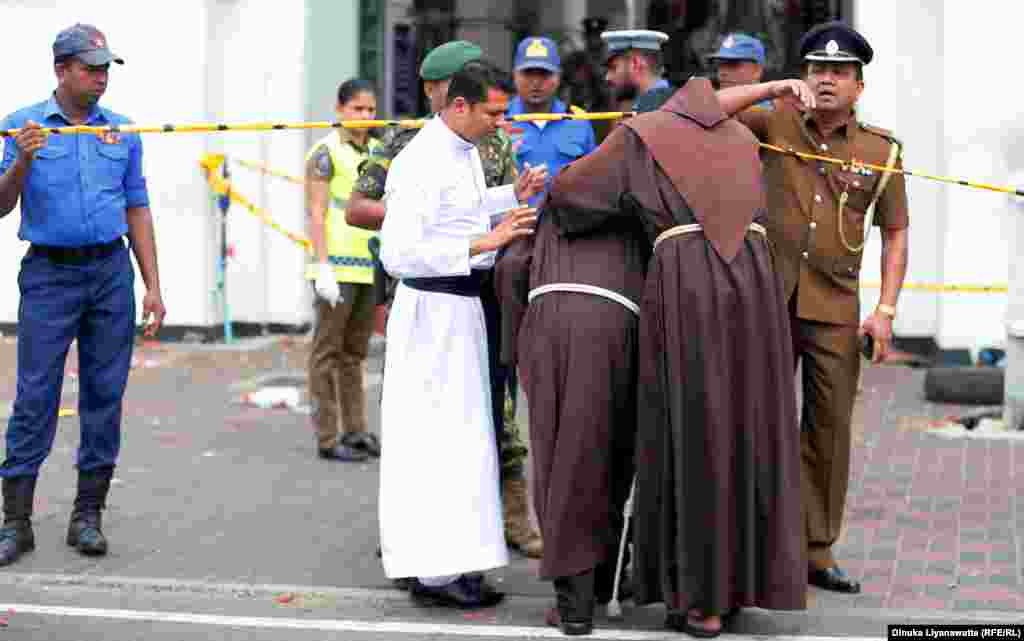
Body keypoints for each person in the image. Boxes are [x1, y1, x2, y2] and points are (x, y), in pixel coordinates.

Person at [550, 77, 816, 637]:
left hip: (690, 283)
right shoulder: (739, 138)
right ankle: (738, 585)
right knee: (746, 428)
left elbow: (570, 195)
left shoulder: (639, 137)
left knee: (692, 433)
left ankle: (701, 601)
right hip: (755, 286)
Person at [720, 20, 909, 596]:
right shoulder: (771, 119)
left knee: (827, 431)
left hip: (834, 307)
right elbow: (704, 108)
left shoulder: (882, 150)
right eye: (816, 70)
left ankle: (815, 550)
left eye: (839, 72)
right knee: (754, 418)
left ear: (859, 85)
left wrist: (885, 310)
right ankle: (747, 540)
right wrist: (770, 87)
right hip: (767, 299)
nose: (826, 80)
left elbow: (896, 232)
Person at [347, 41, 543, 560]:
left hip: (463, 310)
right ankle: (433, 568)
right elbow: (400, 251)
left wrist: (509, 197)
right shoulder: (420, 158)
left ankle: (460, 562)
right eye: (493, 114)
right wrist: (486, 242)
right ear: (460, 104)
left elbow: (459, 211)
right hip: (433, 312)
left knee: (466, 442)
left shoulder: (463, 151)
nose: (501, 124)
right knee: (436, 444)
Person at [0, 24, 165, 566]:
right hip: (49, 275)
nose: (100, 78)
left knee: (104, 395)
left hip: (109, 273)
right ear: (60, 70)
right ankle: (15, 522)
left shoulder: (121, 131)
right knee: (35, 396)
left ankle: (87, 515)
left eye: (105, 69)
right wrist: (22, 159)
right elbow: (0, 205)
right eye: (90, 68)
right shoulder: (20, 126)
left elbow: (136, 206)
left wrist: (153, 286)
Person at [495, 122, 647, 636]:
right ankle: (604, 581)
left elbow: (512, 267)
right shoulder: (639, 210)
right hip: (619, 332)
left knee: (560, 462)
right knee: (610, 457)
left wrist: (514, 346)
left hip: (551, 327)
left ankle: (572, 602)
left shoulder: (556, 202)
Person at [304, 79, 382, 463]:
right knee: (327, 353)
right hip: (335, 266)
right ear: (340, 110)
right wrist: (321, 265)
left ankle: (355, 429)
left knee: (355, 353)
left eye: (370, 110)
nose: (365, 116)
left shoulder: (379, 150)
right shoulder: (325, 152)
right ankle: (327, 436)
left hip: (369, 266)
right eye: (358, 109)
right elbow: (317, 211)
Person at [507, 36, 597, 204]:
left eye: (544, 74)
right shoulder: (499, 120)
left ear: (558, 76)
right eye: (528, 73)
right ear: (514, 75)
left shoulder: (578, 121)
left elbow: (593, 180)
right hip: (511, 225)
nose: (535, 82)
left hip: (565, 226)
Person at [601, 30, 674, 112]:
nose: (607, 77)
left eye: (613, 68)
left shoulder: (650, 110)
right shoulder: (674, 101)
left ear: (635, 63)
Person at [707, 33, 774, 110]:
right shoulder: (710, 103)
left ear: (757, 71)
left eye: (732, 64)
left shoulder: (767, 114)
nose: (722, 72)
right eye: (719, 64)